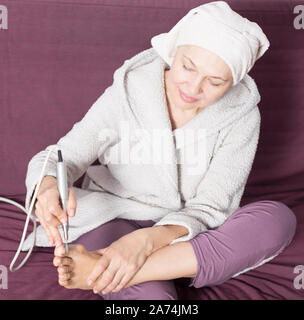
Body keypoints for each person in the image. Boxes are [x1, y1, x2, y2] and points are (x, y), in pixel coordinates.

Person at [25, 1, 297, 300]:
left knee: (278, 219)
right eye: (187, 67)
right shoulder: (129, 91)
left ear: (233, 82)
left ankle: (102, 269)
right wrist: (48, 184)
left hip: (188, 234)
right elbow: (65, 154)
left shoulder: (241, 115)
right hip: (115, 218)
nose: (192, 88)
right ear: (173, 51)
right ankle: (143, 269)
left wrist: (147, 241)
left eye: (215, 81)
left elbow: (214, 204)